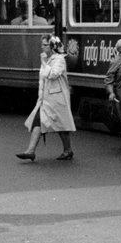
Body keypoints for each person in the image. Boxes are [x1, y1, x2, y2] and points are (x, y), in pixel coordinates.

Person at [17, 34, 77, 162]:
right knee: (38, 121)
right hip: (46, 99)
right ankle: (31, 151)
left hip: (57, 98)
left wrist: (44, 63)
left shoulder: (59, 60)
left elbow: (53, 75)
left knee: (62, 126)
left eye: (45, 45)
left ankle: (68, 150)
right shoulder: (46, 58)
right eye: (42, 44)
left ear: (52, 47)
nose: (42, 47)